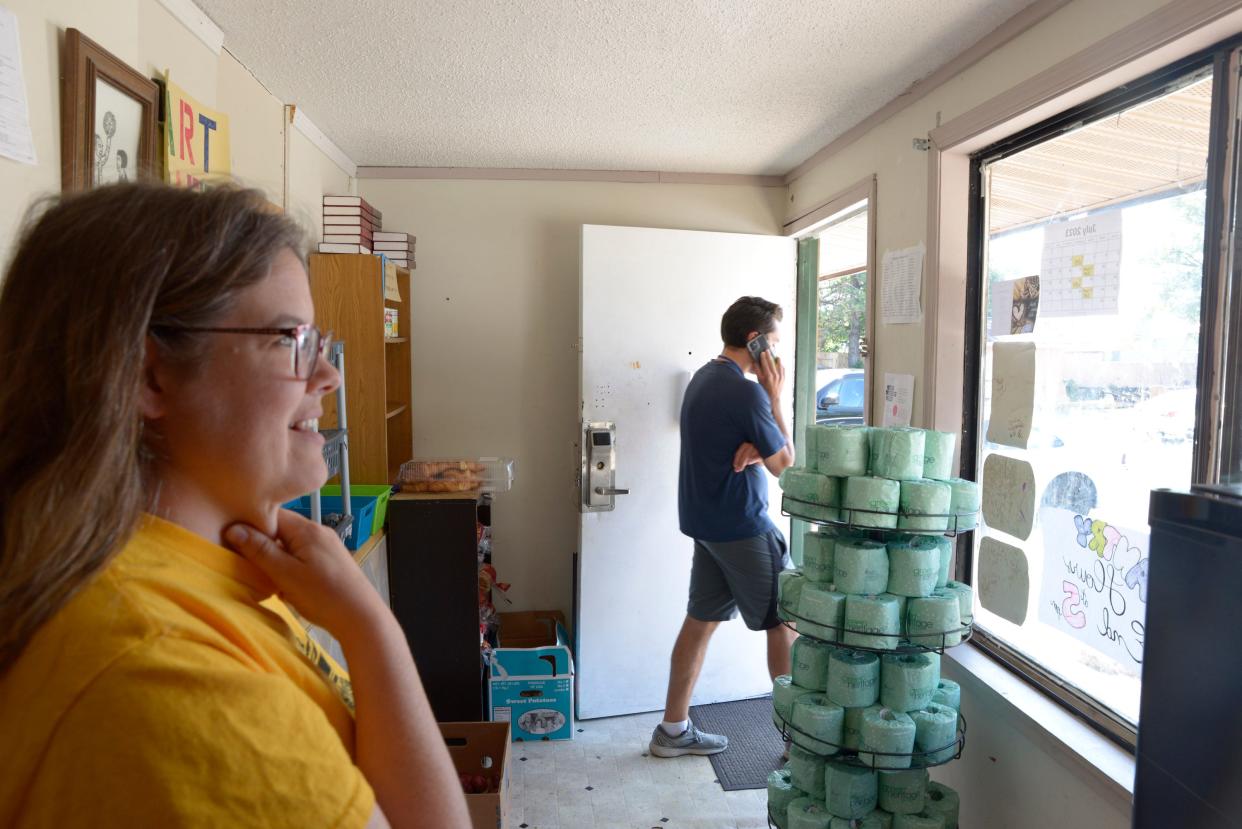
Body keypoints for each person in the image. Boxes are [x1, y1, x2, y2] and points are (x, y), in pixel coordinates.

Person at [0, 182, 470, 828]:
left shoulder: (192, 570)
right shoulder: (169, 676)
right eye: (287, 338)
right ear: (149, 376)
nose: (328, 374)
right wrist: (373, 629)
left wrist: (365, 622)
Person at [649, 296, 798, 758]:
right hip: (743, 527)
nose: (777, 354)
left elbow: (747, 444)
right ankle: (802, 743)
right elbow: (786, 465)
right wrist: (774, 397)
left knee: (700, 621)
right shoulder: (748, 392)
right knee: (784, 623)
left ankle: (672, 732)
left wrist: (756, 444)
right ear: (754, 342)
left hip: (707, 524)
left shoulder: (705, 378)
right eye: (773, 343)